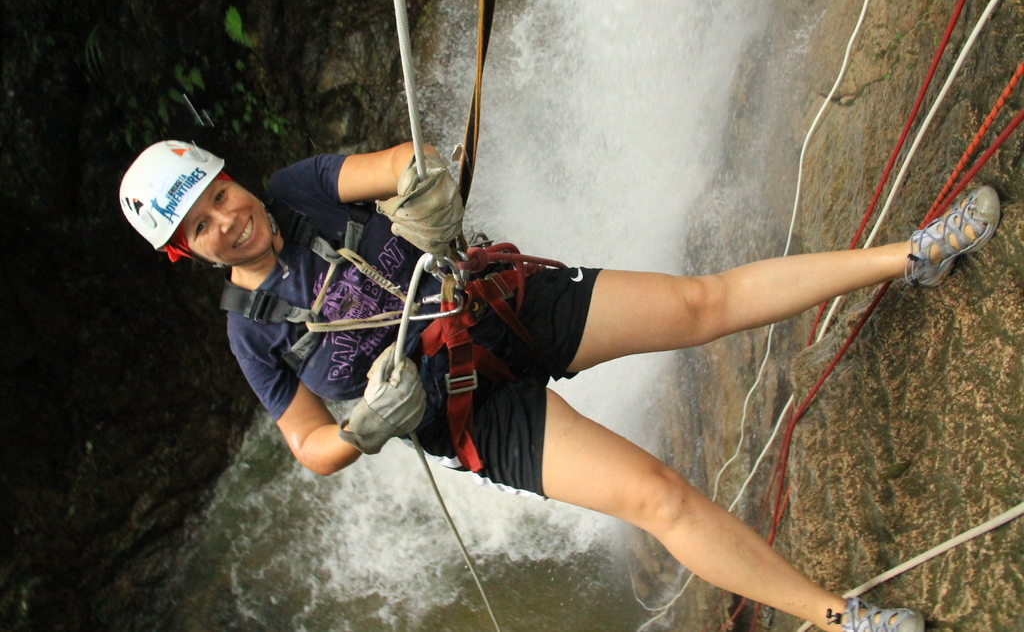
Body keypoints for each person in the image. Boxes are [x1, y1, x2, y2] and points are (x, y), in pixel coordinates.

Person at [119, 139, 1001, 632]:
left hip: (495, 303)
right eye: (200, 229)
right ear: (186, 253)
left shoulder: (298, 189)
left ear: (232, 176)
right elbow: (310, 446)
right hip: (464, 409)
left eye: (219, 197)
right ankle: (840, 621)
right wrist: (364, 429)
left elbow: (399, 162)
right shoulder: (252, 335)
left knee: (703, 304)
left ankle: (911, 254)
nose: (227, 223)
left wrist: (422, 192)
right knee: (655, 496)